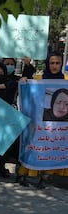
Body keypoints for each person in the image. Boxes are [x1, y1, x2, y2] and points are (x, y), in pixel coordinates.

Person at [18, 52, 68, 188]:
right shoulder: (38, 79)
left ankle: (53, 175)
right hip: (40, 126)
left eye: (57, 63)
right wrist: (25, 82)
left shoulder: (66, 80)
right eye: (52, 63)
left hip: (60, 129)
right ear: (47, 64)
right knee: (37, 147)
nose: (55, 66)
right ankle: (33, 175)